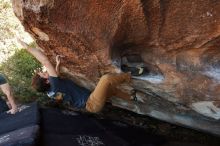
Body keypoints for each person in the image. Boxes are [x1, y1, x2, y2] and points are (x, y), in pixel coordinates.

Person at [18, 39, 138, 113]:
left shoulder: (51, 92)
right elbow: (45, 61)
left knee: (112, 91)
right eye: (44, 74)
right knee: (106, 79)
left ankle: (132, 98)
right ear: (47, 81)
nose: (46, 72)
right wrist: (27, 47)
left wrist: (58, 65)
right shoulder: (54, 84)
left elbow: (58, 80)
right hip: (91, 102)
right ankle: (131, 75)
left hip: (90, 106)